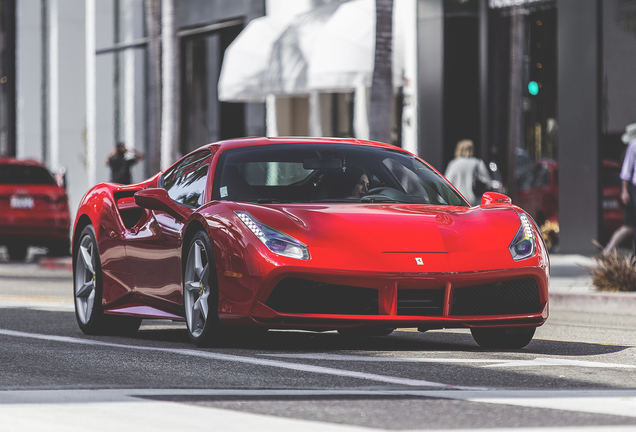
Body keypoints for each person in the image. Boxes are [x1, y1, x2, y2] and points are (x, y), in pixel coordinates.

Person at [603, 123, 636, 256]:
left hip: (631, 189)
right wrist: (625, 190)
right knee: (628, 226)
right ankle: (608, 251)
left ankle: (608, 251)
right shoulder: (633, 146)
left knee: (629, 227)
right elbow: (626, 172)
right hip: (633, 189)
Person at [444, 139, 491, 206]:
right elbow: (487, 183)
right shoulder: (477, 163)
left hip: (458, 199)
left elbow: (447, 183)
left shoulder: (453, 164)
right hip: (474, 201)